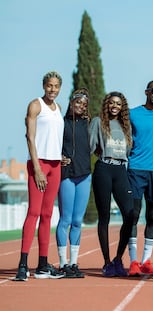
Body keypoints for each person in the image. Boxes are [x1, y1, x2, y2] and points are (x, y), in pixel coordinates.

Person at [14, 71, 65, 281]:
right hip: (39, 164)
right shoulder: (36, 105)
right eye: (49, 86)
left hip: (56, 165)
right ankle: (23, 265)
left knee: (47, 215)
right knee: (34, 212)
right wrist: (36, 168)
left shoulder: (58, 109)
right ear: (44, 86)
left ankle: (43, 264)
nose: (52, 90)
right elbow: (30, 138)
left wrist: (60, 156)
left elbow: (54, 137)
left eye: (56, 86)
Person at [127, 80, 153, 276]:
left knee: (152, 217)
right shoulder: (133, 113)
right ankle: (134, 261)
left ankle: (146, 261)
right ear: (146, 91)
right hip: (135, 169)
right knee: (133, 216)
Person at [89, 91, 134, 277]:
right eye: (111, 103)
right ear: (107, 104)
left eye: (118, 103)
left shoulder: (126, 126)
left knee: (130, 215)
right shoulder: (98, 122)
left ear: (122, 106)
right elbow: (89, 147)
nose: (114, 106)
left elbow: (130, 151)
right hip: (104, 169)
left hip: (121, 170)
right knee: (105, 217)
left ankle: (118, 259)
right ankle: (107, 262)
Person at [56, 88, 91, 278]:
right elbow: (51, 143)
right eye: (78, 102)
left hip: (85, 175)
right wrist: (58, 156)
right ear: (72, 102)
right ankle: (62, 264)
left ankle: (74, 263)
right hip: (67, 175)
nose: (81, 106)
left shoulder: (89, 124)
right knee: (65, 219)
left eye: (84, 104)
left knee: (77, 221)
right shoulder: (61, 123)